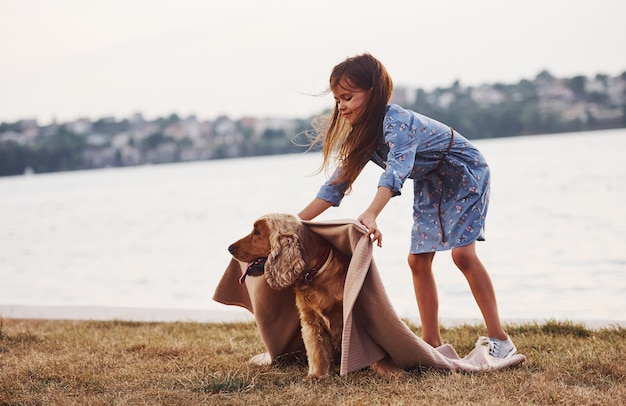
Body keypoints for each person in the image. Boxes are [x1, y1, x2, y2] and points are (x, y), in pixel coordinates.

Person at [298, 53, 517, 359]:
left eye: (348, 97)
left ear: (373, 93)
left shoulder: (397, 122)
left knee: (463, 255)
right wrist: (295, 223)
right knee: (418, 261)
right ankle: (432, 343)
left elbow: (396, 171)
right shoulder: (362, 134)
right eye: (337, 100)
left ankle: (501, 341)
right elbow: (336, 185)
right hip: (430, 181)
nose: (341, 106)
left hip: (464, 171)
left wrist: (372, 212)